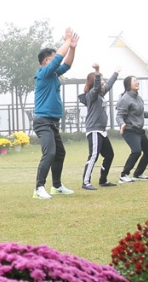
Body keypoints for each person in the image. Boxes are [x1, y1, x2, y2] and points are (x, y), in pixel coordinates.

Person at [31, 27, 78, 200]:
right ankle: (38, 188)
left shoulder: (53, 74)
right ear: (45, 62)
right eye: (52, 59)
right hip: (42, 121)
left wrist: (72, 48)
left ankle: (56, 186)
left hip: (52, 121)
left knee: (59, 153)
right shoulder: (43, 73)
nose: (56, 60)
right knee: (50, 153)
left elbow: (67, 64)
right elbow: (59, 58)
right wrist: (66, 41)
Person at [78, 63, 120, 189]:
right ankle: (86, 182)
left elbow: (109, 85)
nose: (103, 81)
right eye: (101, 79)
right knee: (93, 156)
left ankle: (103, 180)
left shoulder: (100, 95)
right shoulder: (91, 95)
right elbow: (96, 87)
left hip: (102, 131)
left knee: (109, 155)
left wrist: (116, 73)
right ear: (94, 81)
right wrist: (97, 71)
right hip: (94, 130)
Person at [115, 77, 148, 183]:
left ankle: (138, 174)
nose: (137, 82)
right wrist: (122, 124)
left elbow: (141, 113)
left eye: (137, 80)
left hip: (139, 130)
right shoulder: (125, 99)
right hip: (129, 130)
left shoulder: (139, 98)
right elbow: (119, 116)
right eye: (134, 81)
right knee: (136, 151)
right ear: (128, 84)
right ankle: (124, 175)